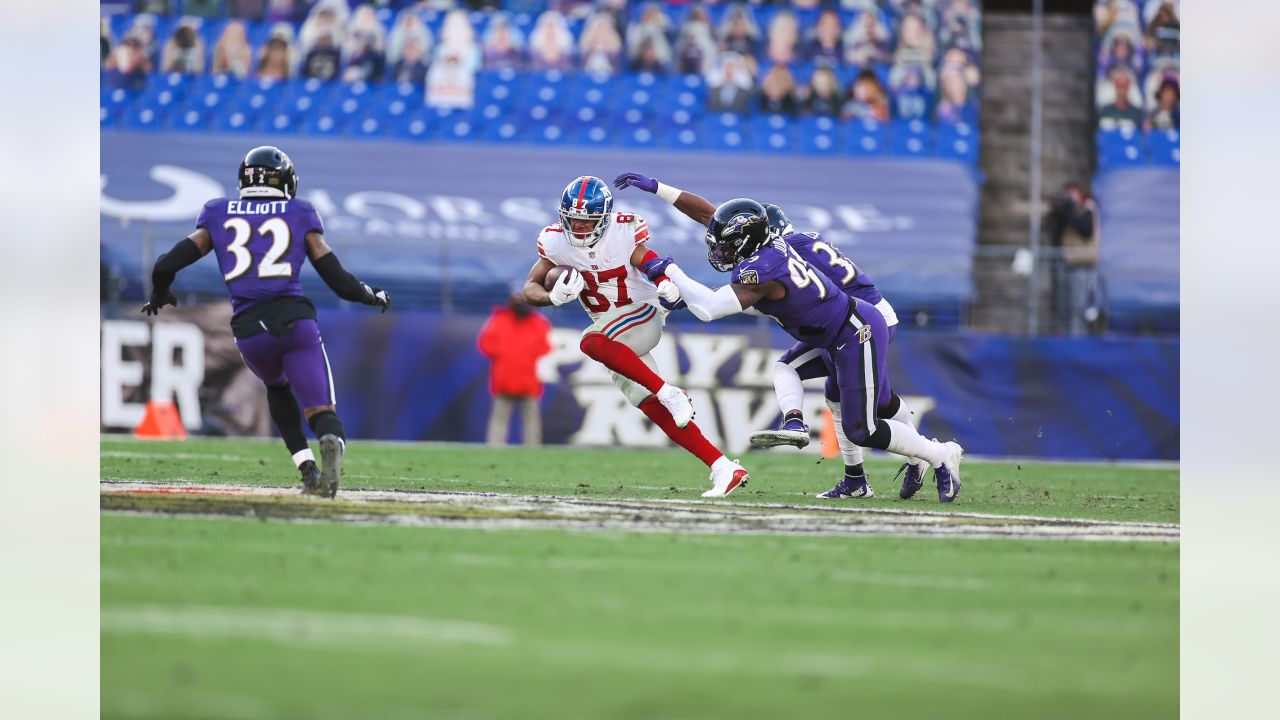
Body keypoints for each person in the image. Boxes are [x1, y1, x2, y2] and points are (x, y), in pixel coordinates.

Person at [614, 173, 932, 501]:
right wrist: (659, 188)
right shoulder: (780, 247)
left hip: (860, 320)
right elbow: (710, 218)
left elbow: (744, 299)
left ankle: (923, 456)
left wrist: (680, 284)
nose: (725, 250)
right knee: (837, 394)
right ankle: (850, 469)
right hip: (840, 321)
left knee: (867, 407)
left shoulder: (778, 257)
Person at [140, 146, 391, 498]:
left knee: (276, 388)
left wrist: (159, 295)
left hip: (248, 330)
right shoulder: (300, 212)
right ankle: (328, 439)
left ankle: (306, 469)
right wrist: (370, 294)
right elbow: (337, 279)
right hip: (294, 321)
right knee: (321, 409)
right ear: (286, 181)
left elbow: (165, 265)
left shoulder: (217, 211)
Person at [522, 177, 750, 498]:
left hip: (640, 312)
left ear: (604, 219)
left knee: (590, 343)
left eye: (586, 222)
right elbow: (529, 288)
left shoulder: (623, 231)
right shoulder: (555, 242)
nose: (579, 227)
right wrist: (552, 298)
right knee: (651, 405)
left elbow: (648, 259)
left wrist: (663, 280)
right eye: (572, 219)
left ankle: (670, 392)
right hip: (615, 336)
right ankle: (723, 467)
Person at [477, 288, 553, 446]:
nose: (520, 304)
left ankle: (532, 447)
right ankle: (495, 446)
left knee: (531, 416)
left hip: (528, 378)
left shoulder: (538, 323)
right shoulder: (498, 320)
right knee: (500, 415)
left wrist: (524, 353)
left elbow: (545, 347)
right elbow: (485, 344)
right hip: (504, 377)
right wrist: (506, 353)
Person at [1046, 182, 1101, 336]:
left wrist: (1068, 209)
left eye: (1072, 194)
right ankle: (1063, 337)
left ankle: (1078, 338)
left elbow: (1085, 229)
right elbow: (1053, 229)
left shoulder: (1088, 208)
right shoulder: (1066, 211)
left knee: (1078, 306)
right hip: (1065, 263)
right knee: (1062, 305)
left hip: (1082, 265)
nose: (1069, 198)